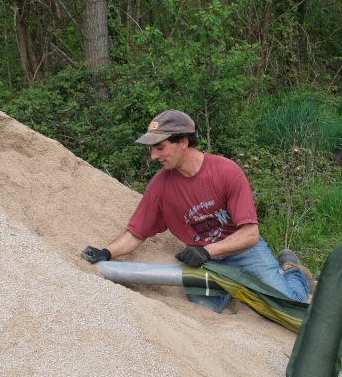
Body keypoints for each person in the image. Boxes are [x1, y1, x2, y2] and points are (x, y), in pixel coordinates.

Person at [81, 110, 313, 313]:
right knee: (207, 307)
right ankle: (236, 285)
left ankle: (292, 270)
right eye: (152, 148)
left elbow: (250, 234)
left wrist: (207, 251)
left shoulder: (226, 172)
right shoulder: (159, 187)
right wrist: (107, 252)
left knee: (289, 302)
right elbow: (136, 233)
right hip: (206, 260)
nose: (153, 156)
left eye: (159, 147)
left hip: (242, 250)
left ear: (183, 141)